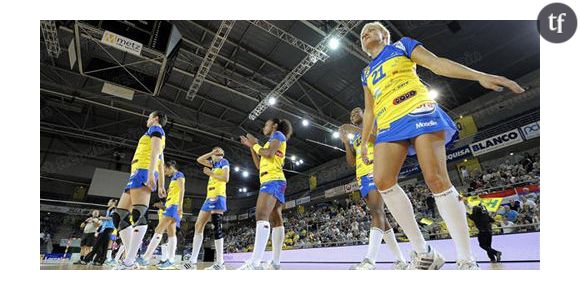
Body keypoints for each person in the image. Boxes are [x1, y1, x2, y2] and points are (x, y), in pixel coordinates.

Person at [358, 21, 524, 270]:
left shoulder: (402, 46)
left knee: (436, 179)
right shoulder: (366, 72)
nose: (365, 34)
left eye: (371, 29)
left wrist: (480, 76)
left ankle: (466, 258)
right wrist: (363, 142)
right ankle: (424, 251)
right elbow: (369, 110)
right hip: (389, 124)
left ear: (384, 34)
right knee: (382, 181)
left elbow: (436, 63)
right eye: (362, 34)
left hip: (417, 109)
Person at [339, 107, 408, 270]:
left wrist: (354, 129)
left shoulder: (373, 123)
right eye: (351, 114)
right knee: (380, 215)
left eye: (357, 111)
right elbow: (352, 162)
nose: (353, 114)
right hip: (361, 175)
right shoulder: (355, 136)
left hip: (375, 169)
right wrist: (346, 143)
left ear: (364, 114)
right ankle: (401, 260)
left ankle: (370, 261)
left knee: (377, 211)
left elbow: (378, 139)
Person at [111, 111, 167, 270]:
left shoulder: (156, 129)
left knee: (138, 214)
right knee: (119, 216)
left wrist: (150, 174)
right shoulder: (155, 133)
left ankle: (128, 261)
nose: (147, 120)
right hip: (136, 172)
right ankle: (131, 256)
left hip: (143, 170)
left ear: (156, 118)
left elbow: (156, 154)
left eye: (149, 117)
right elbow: (161, 162)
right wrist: (161, 184)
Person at [238, 118, 293, 270]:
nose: (264, 126)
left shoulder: (278, 135)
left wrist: (254, 144)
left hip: (273, 180)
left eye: (266, 124)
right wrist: (251, 147)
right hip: (272, 179)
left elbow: (268, 154)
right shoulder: (271, 141)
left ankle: (255, 263)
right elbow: (259, 164)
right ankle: (275, 264)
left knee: (261, 215)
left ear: (274, 126)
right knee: (275, 219)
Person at [183, 147, 230, 270]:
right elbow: (199, 159)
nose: (215, 152)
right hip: (209, 197)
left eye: (217, 150)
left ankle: (220, 263)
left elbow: (226, 178)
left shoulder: (224, 162)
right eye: (214, 150)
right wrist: (210, 153)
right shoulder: (213, 164)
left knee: (216, 226)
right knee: (198, 226)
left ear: (221, 153)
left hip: (218, 195)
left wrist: (211, 173)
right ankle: (193, 261)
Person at [138, 160, 185, 270]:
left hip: (173, 206)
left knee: (159, 230)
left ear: (170, 167)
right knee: (171, 234)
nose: (164, 172)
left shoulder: (179, 175)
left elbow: (182, 190)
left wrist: (180, 206)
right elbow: (175, 192)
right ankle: (171, 260)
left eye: (165, 170)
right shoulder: (173, 178)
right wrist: (165, 194)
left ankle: (146, 258)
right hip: (170, 205)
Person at [83, 200, 117, 266]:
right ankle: (100, 261)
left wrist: (103, 218)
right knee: (103, 246)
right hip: (105, 229)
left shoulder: (113, 209)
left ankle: (86, 260)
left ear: (113, 203)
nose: (108, 203)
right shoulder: (109, 209)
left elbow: (112, 218)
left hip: (108, 229)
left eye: (109, 201)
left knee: (97, 245)